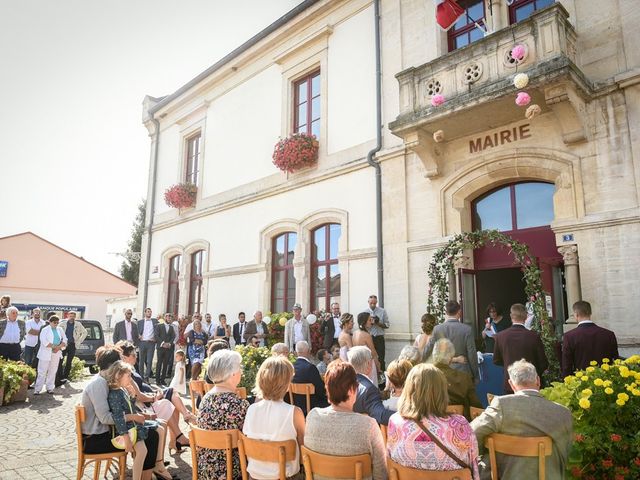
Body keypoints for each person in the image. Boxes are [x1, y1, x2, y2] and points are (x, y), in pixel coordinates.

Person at [471, 359, 572, 480]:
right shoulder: (563, 413)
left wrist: (488, 446)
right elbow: (567, 454)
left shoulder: (501, 405)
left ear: (511, 384)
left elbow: (471, 433)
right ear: (538, 381)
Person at [387, 363, 480, 479]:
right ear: (442, 391)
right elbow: (474, 469)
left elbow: (390, 463)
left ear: (409, 389)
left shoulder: (395, 422)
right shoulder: (460, 424)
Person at [304, 360, 387, 480]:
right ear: (352, 390)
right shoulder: (368, 425)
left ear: (327, 390)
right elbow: (381, 474)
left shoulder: (312, 416)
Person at [80, 345, 160, 462]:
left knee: (152, 429)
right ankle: (146, 475)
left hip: (104, 433)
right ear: (113, 366)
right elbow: (105, 418)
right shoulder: (98, 384)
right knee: (151, 435)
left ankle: (154, 469)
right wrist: (132, 417)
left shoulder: (104, 380)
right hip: (95, 440)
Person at [116, 341, 194, 452]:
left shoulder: (133, 369)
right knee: (171, 396)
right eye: (133, 355)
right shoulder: (126, 373)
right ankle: (181, 430)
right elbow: (138, 396)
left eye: (136, 354)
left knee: (172, 398)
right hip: (145, 404)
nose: (136, 357)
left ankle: (175, 440)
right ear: (124, 357)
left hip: (149, 399)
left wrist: (154, 392)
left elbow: (142, 386)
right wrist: (154, 397)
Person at [243, 356, 305, 479]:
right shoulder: (294, 413)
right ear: (286, 384)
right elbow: (304, 450)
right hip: (286, 476)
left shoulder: (251, 410)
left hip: (255, 476)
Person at [197, 349, 249, 480]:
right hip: (233, 471)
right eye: (239, 369)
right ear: (232, 374)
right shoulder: (240, 404)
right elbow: (251, 440)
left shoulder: (205, 399)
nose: (241, 372)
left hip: (206, 470)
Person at [106, 361, 159, 480]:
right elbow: (118, 417)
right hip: (127, 430)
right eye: (128, 376)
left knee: (142, 451)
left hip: (133, 427)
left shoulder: (122, 390)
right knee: (142, 451)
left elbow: (129, 408)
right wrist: (126, 439)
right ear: (118, 376)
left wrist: (133, 395)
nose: (130, 379)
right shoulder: (114, 394)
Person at [493, 303, 548, 394]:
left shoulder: (500, 336)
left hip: (511, 382)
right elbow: (543, 363)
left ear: (511, 316)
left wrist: (509, 365)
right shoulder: (534, 336)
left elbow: (496, 360)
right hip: (531, 383)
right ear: (526, 316)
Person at [423, 301, 479, 383]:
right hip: (462, 373)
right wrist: (475, 375)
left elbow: (427, 351)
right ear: (459, 312)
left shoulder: (437, 329)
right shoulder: (467, 330)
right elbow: (472, 354)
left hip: (442, 373)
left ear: (446, 312)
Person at [562, 300, 619, 377]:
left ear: (576, 315)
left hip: (581, 382)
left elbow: (567, 365)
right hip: (606, 380)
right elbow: (616, 360)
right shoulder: (609, 334)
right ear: (590, 313)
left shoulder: (569, 336)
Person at [432, 338, 482, 420]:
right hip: (458, 426)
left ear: (433, 355)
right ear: (451, 358)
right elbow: (476, 408)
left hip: (429, 425)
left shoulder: (422, 376)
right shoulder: (464, 378)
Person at [348, 346, 393, 425]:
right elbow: (381, 415)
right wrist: (406, 416)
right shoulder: (369, 389)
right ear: (369, 363)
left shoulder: (343, 382)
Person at [291, 341, 328, 415]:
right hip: (312, 406)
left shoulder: (291, 367)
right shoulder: (310, 367)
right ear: (308, 351)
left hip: (296, 406)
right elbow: (321, 389)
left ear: (296, 352)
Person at [33, 315, 67, 395]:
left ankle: (50, 388)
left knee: (53, 370)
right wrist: (54, 347)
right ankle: (37, 389)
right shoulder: (45, 329)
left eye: (57, 322)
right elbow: (44, 341)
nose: (56, 324)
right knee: (42, 371)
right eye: (54, 322)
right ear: (50, 322)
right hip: (45, 352)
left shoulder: (60, 329)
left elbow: (65, 339)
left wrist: (58, 348)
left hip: (56, 352)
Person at [57, 311, 88, 384]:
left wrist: (79, 341)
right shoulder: (62, 324)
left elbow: (85, 332)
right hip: (63, 344)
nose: (72, 318)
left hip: (72, 345)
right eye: (70, 316)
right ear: (67, 316)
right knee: (60, 360)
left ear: (75, 317)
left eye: (73, 316)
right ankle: (60, 376)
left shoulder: (78, 324)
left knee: (69, 361)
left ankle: (65, 377)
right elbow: (57, 333)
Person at [353, 312, 380, 385]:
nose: (371, 322)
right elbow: (373, 352)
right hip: (367, 365)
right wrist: (378, 365)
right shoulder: (366, 335)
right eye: (369, 320)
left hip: (357, 364)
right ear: (364, 322)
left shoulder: (355, 333)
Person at [367, 295, 389, 371]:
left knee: (381, 359)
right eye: (371, 303)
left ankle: (382, 379)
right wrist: (370, 323)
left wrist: (378, 323)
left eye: (374, 303)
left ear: (376, 302)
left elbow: (387, 325)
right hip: (369, 338)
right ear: (368, 302)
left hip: (379, 338)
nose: (373, 305)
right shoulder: (364, 312)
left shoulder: (382, 311)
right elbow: (362, 327)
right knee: (369, 359)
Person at [155, 313, 176, 387]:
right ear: (164, 318)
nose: (169, 318)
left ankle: (162, 379)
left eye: (170, 317)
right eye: (167, 317)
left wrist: (169, 344)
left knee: (165, 364)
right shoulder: (159, 326)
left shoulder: (171, 328)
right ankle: (157, 380)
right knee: (159, 363)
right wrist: (163, 343)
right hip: (160, 347)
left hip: (168, 348)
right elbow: (156, 336)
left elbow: (173, 336)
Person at [137, 308, 158, 382]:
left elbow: (159, 331)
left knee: (149, 361)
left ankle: (146, 377)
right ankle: (141, 377)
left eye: (150, 312)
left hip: (151, 344)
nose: (150, 313)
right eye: (148, 312)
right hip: (142, 343)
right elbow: (135, 331)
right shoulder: (139, 322)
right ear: (145, 313)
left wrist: (155, 338)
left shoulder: (155, 321)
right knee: (141, 361)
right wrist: (138, 335)